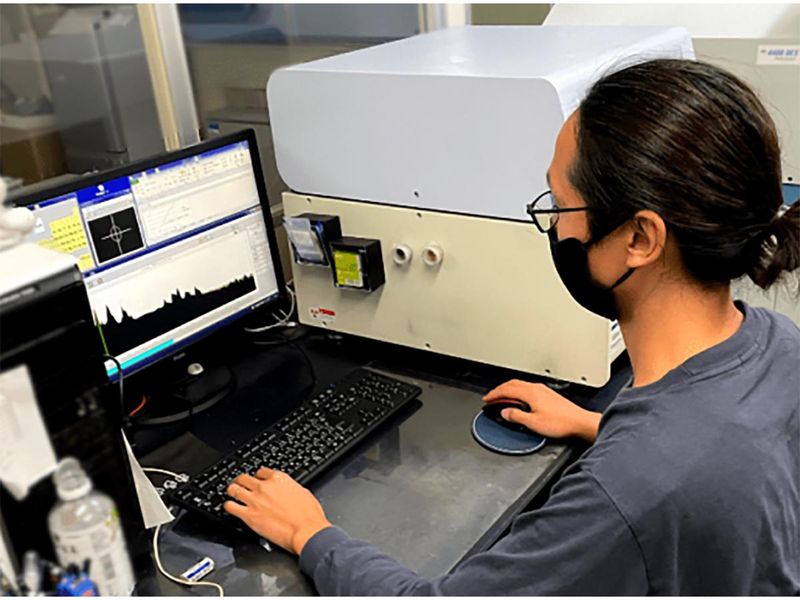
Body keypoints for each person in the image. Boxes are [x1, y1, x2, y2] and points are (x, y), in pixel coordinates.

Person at [223, 59, 800, 594]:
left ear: (640, 238)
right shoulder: (777, 343)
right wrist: (597, 423)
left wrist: (310, 533)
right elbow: (714, 455)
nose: (554, 226)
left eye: (561, 205)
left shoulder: (626, 489)